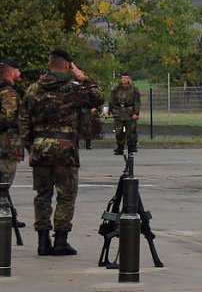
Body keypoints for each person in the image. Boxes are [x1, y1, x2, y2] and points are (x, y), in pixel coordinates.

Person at [19, 49, 104, 256]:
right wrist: (83, 77)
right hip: (65, 148)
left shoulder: (32, 90)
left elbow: (23, 121)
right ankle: (61, 240)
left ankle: (42, 240)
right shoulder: (72, 89)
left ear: (49, 65)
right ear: (66, 66)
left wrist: (33, 145)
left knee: (42, 195)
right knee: (66, 195)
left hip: (40, 147)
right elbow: (98, 97)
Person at [0, 60, 26, 228]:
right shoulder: (8, 93)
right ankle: (4, 215)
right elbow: (8, 118)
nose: (20, 74)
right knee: (4, 182)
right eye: (18, 70)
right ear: (10, 72)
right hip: (7, 145)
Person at [108, 72, 140, 155]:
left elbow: (137, 102)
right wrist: (110, 111)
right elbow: (112, 100)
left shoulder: (134, 89)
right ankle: (120, 147)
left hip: (130, 111)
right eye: (123, 78)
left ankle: (132, 147)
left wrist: (136, 113)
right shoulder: (116, 89)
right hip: (119, 111)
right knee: (119, 131)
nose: (124, 80)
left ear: (129, 79)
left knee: (131, 131)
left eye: (126, 78)